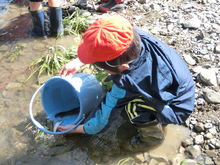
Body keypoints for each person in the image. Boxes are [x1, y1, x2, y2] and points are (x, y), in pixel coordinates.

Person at [58, 15, 195, 152]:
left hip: (176, 107)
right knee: (115, 90)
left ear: (123, 67)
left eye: (103, 68)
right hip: (178, 80)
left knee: (129, 108)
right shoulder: (132, 35)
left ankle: (152, 139)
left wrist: (75, 129)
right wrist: (79, 61)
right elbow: (110, 44)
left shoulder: (125, 84)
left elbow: (101, 123)